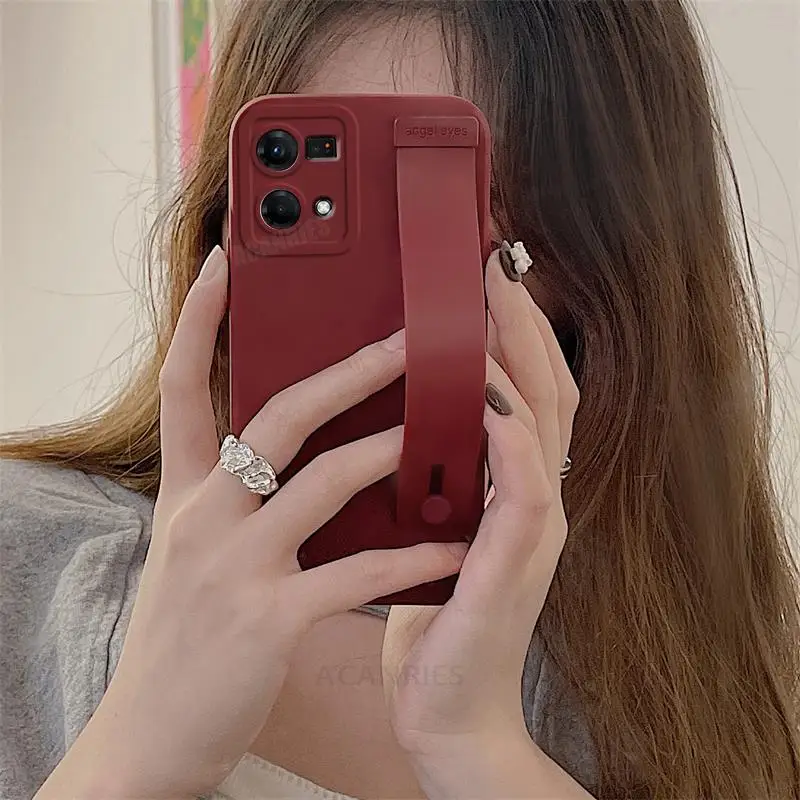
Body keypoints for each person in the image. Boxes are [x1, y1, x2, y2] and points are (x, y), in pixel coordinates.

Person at [2, 1, 798, 798]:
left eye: (472, 212)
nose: (418, 292)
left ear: (612, 267)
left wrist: (477, 748)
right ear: (229, 223)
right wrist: (135, 750)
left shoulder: (710, 657)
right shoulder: (27, 549)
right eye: (365, 201)